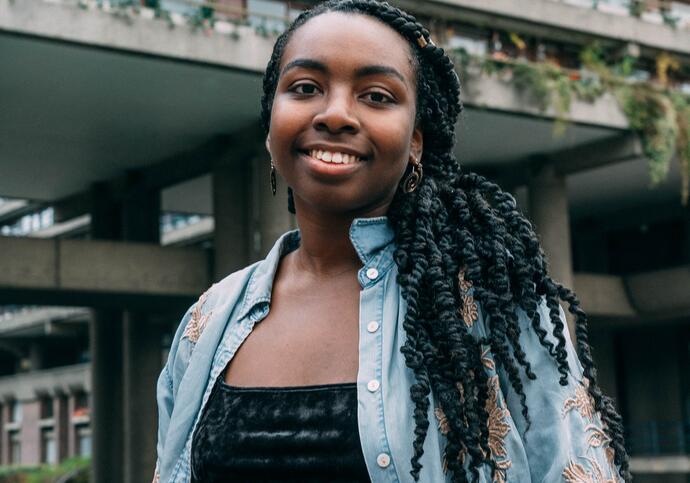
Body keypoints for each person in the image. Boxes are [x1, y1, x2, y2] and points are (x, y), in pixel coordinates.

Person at [154, 1, 630, 482]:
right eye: (305, 88)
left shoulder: (489, 301)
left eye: (377, 96)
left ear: (416, 141)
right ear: (271, 121)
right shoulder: (208, 322)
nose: (336, 114)